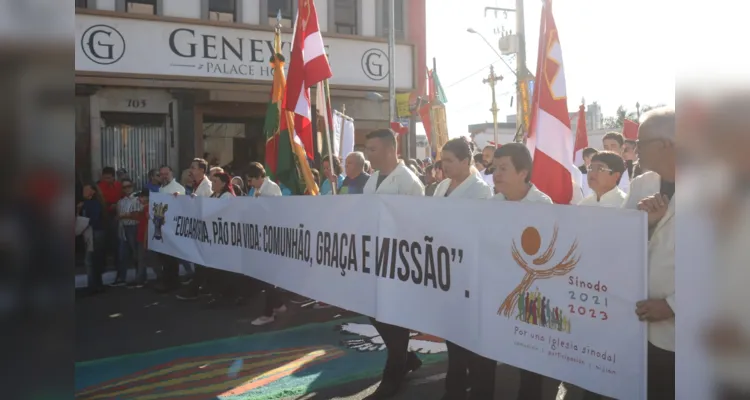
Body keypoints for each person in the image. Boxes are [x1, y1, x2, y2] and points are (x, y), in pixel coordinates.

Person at [362, 129, 424, 399]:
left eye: (372, 149)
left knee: (393, 317)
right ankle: (407, 358)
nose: (367, 154)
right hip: (373, 257)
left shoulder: (409, 182)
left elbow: (416, 225)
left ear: (389, 150)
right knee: (373, 312)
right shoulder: (372, 179)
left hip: (398, 262)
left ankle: (394, 374)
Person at [491, 143, 554, 400]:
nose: (496, 174)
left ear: (523, 173)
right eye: (494, 168)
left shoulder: (542, 205)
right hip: (499, 289)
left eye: (503, 168)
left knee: (531, 359)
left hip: (533, 294)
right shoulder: (491, 203)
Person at [435, 138, 495, 400]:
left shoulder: (481, 192)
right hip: (444, 270)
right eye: (443, 160)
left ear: (465, 161)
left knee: (473, 340)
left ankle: (477, 391)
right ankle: (454, 389)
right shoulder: (441, 187)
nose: (444, 166)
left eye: (449, 161)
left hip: (469, 272)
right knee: (453, 338)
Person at [623, 108, 676, 399]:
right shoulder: (641, 185)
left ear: (666, 144)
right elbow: (618, 244)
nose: (635, 149)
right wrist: (646, 225)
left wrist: (674, 305)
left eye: (641, 142)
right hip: (637, 324)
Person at [246, 163, 288, 324]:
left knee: (269, 276)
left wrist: (260, 201)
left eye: (251, 180)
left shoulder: (272, 189)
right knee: (264, 276)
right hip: (261, 237)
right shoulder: (257, 190)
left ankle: (268, 313)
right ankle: (277, 304)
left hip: (272, 238)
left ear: (259, 177)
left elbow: (276, 211)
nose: (249, 184)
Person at [154, 165, 185, 293]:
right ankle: (168, 281)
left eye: (166, 174)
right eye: (161, 174)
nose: (164, 176)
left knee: (171, 259)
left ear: (171, 173)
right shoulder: (161, 188)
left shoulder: (178, 188)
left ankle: (172, 283)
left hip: (172, 228)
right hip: (162, 228)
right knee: (165, 258)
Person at [78, 182, 108, 294]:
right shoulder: (87, 203)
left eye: (86, 189)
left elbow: (92, 219)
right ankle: (97, 284)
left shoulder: (94, 203)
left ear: (93, 191)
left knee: (90, 260)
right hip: (93, 232)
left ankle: (93, 285)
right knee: (94, 260)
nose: (84, 192)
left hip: (94, 233)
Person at [112, 178, 141, 286]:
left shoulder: (138, 199)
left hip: (134, 227)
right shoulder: (120, 202)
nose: (127, 189)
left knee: (136, 254)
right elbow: (118, 217)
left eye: (129, 186)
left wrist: (125, 215)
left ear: (132, 186)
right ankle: (121, 278)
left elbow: (140, 215)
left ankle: (140, 277)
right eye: (124, 187)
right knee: (122, 255)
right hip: (123, 228)